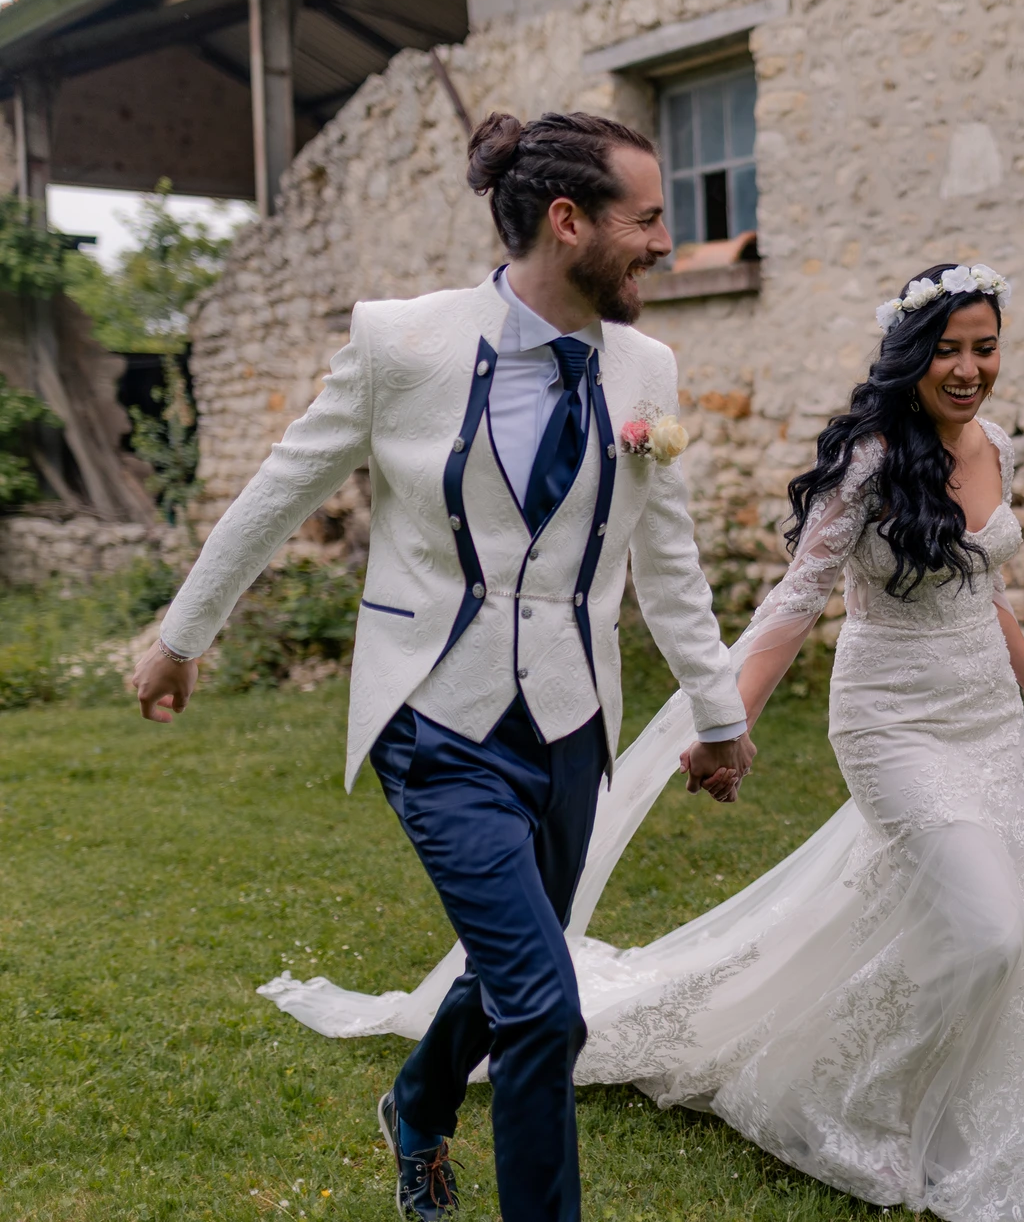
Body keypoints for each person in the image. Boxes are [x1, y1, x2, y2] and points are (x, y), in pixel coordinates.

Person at [130, 110, 755, 1222]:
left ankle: (417, 1100)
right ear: (568, 221)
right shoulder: (403, 344)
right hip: (438, 720)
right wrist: (181, 638)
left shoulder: (646, 368)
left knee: (514, 965)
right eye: (647, 219)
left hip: (570, 723)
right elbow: (279, 490)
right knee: (545, 1006)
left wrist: (717, 712)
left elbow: (667, 564)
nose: (666, 242)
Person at [570, 263, 1024, 1219]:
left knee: (968, 920)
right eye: (947, 349)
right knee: (991, 928)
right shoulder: (870, 458)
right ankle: (864, 1109)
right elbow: (798, 598)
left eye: (985, 348)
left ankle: (946, 1105)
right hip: (891, 719)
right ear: (908, 354)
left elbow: (983, 590)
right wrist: (727, 723)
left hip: (982, 718)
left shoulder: (998, 446)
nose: (968, 369)